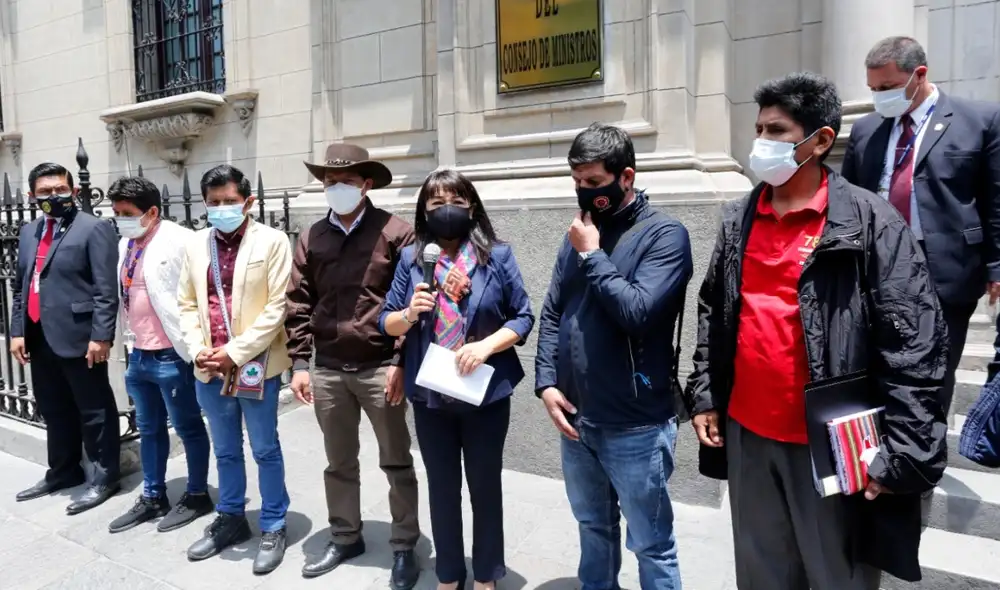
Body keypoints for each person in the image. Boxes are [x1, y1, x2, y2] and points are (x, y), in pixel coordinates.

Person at [685, 72, 949, 589]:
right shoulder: (740, 217)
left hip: (832, 443)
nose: (760, 142)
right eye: (758, 128)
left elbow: (914, 343)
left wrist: (906, 452)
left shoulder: (869, 222)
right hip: (748, 436)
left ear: (821, 141)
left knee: (836, 576)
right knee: (761, 574)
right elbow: (714, 311)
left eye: (776, 130)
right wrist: (706, 394)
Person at [535, 123, 692, 590]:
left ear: (626, 176)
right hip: (577, 419)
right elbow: (552, 311)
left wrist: (592, 256)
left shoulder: (665, 235)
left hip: (636, 425)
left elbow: (637, 311)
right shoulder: (580, 233)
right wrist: (546, 383)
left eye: (593, 182)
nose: (584, 192)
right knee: (593, 529)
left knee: (650, 544)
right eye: (577, 182)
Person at [380, 169, 535, 590]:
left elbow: (523, 316)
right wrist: (411, 313)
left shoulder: (497, 256)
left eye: (455, 201)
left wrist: (486, 347)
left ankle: (486, 575)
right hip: (432, 395)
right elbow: (386, 321)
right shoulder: (413, 260)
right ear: (424, 212)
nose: (446, 210)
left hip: (484, 393)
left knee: (485, 487)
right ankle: (449, 574)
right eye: (435, 204)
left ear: (471, 206)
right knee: (442, 489)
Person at [285, 143, 421, 588]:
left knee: (396, 460)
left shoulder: (396, 232)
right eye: (329, 182)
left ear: (366, 183)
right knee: (338, 462)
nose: (336, 188)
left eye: (345, 180)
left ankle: (404, 544)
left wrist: (400, 361)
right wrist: (301, 363)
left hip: (380, 365)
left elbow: (412, 304)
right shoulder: (312, 236)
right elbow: (299, 302)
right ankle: (346, 536)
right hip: (327, 369)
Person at [841, 35, 1000, 415]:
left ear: (920, 74)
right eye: (873, 89)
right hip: (878, 264)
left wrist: (996, 267)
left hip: (946, 267)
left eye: (888, 87)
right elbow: (848, 201)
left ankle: (923, 457)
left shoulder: (979, 120)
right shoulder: (867, 130)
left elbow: (995, 201)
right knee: (877, 361)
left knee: (935, 367)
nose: (880, 97)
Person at [176, 164, 293, 575]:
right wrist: (197, 350)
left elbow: (278, 308)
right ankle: (230, 517)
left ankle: (274, 523)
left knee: (264, 447)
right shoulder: (195, 244)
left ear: (248, 202)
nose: (222, 208)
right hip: (208, 364)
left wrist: (235, 352)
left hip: (256, 363)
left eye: (229, 201)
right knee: (224, 447)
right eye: (214, 203)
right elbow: (187, 304)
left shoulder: (273, 241)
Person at [11, 162, 121, 515]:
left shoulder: (94, 228)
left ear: (74, 191)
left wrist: (101, 336)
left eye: (60, 189)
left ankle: (105, 477)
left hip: (79, 336)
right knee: (54, 409)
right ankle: (63, 471)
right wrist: (17, 331)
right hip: (39, 334)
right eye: (44, 192)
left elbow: (107, 290)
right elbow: (20, 287)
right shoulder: (29, 232)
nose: (53, 196)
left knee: (94, 410)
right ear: (32, 196)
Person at [106, 176, 213, 534]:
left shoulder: (182, 240)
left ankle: (197, 494)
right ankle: (153, 496)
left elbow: (201, 293)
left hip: (172, 352)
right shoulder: (126, 244)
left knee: (187, 426)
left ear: (152, 212)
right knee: (150, 429)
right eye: (116, 212)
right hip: (139, 353)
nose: (120, 219)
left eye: (127, 212)